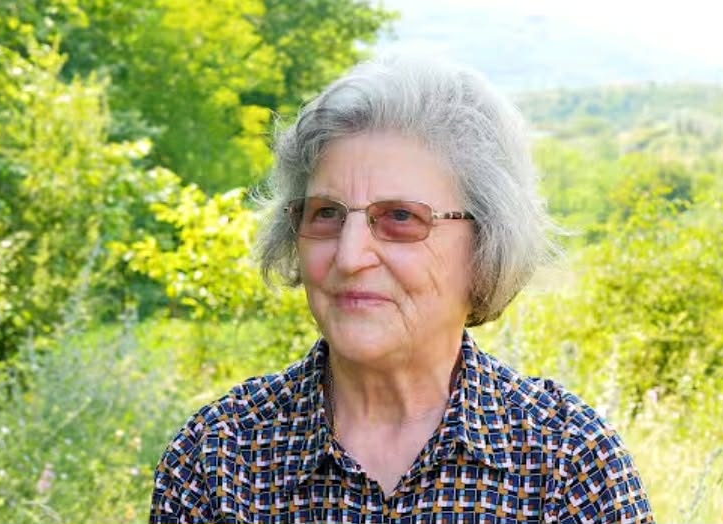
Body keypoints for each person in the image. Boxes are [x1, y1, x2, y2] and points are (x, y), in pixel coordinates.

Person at [149, 55, 653, 523]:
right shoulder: (219, 458)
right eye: (326, 213)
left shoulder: (569, 465)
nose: (350, 256)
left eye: (400, 217)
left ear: (485, 244)